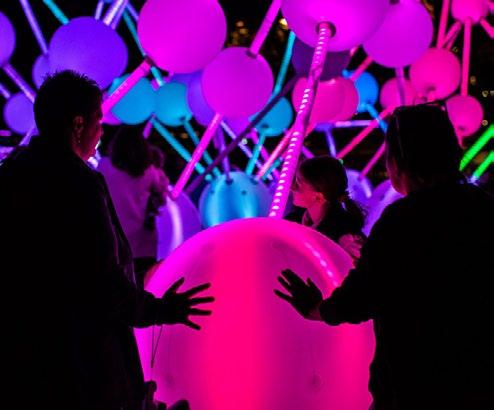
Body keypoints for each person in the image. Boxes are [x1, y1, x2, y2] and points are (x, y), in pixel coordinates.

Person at [0, 70, 213, 410]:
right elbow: (99, 282)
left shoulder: (11, 173)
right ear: (78, 124)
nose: (102, 131)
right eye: (99, 120)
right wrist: (160, 309)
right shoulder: (78, 183)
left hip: (23, 352)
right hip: (78, 360)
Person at [275, 104, 494, 409]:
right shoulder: (484, 208)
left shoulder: (403, 221)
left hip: (416, 381)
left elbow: (363, 294)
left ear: (399, 162)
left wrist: (318, 309)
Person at [98, 126, 169, 288]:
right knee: (144, 287)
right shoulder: (150, 172)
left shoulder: (104, 166)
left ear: (115, 145)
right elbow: (163, 196)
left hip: (113, 239)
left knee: (116, 290)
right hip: (143, 242)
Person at [286, 155, 366, 261]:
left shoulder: (346, 240)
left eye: (298, 184)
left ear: (319, 196)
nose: (291, 187)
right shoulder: (293, 223)